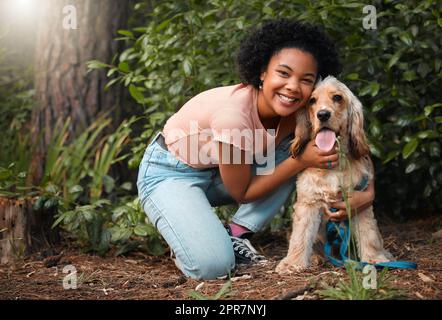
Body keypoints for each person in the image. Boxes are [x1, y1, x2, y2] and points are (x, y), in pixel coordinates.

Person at [137, 19, 375, 280]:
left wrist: (367, 193)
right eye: (283, 74)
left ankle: (237, 234)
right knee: (213, 266)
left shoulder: (302, 109)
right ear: (262, 72)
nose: (293, 87)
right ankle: (189, 236)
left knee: (303, 150)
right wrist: (299, 162)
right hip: (171, 172)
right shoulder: (233, 117)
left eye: (305, 79)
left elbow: (351, 139)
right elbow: (243, 192)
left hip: (223, 169)